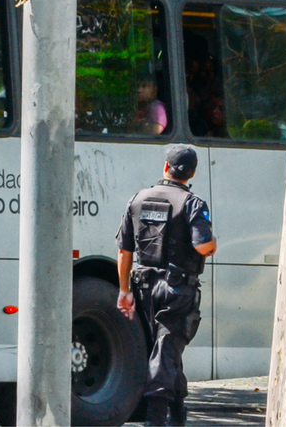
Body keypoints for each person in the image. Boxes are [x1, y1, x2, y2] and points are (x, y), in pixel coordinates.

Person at [116, 145, 217, 426]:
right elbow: (204, 246)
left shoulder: (138, 199)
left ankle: (178, 415)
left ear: (165, 167)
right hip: (177, 290)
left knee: (167, 350)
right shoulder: (192, 203)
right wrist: (214, 244)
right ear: (193, 172)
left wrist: (124, 291)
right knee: (166, 349)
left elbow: (124, 252)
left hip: (143, 288)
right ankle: (155, 420)